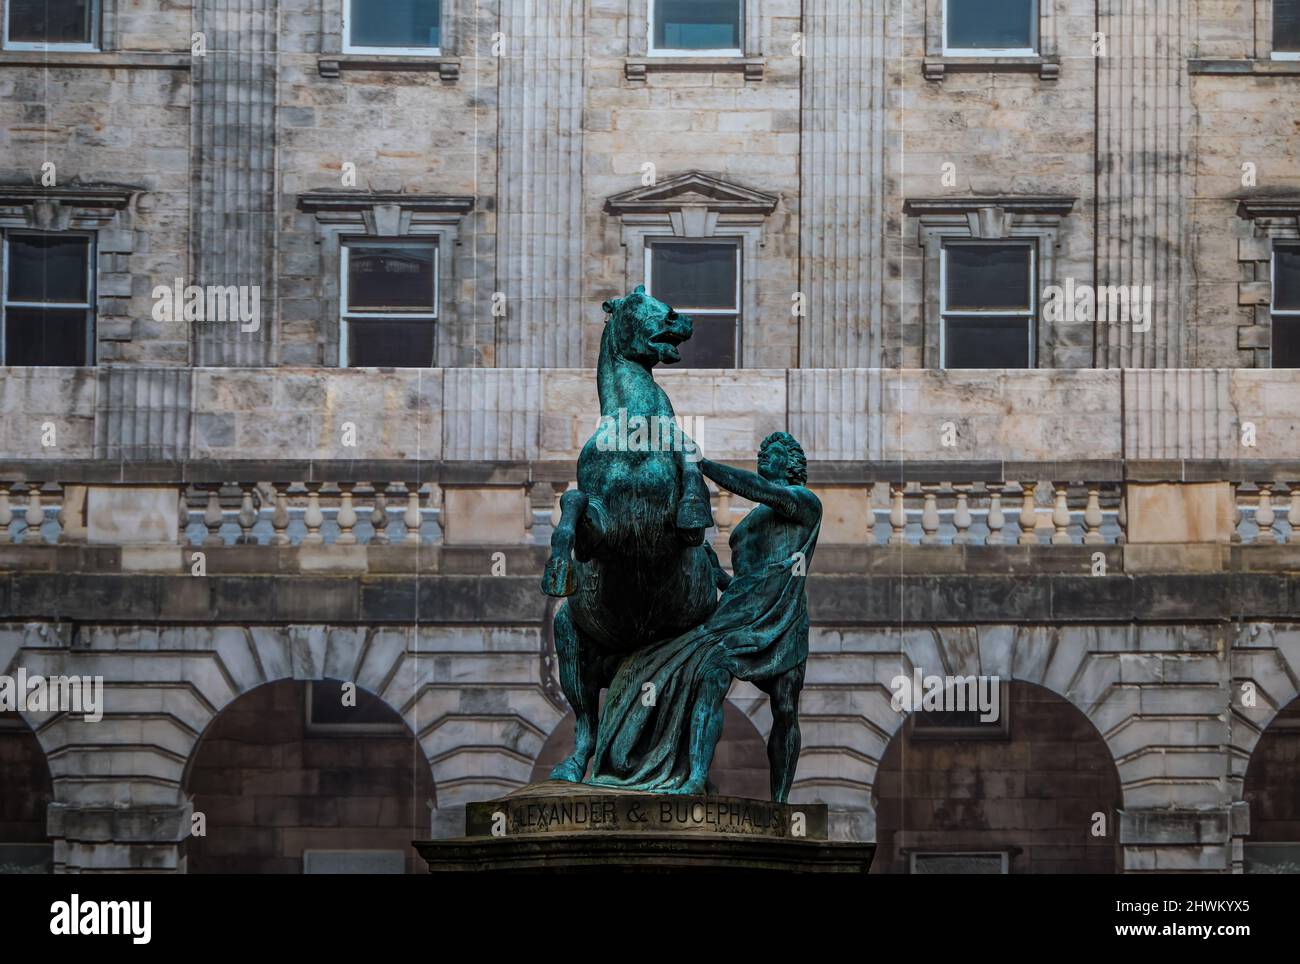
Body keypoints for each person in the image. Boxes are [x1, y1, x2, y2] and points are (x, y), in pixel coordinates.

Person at [586, 431, 821, 803]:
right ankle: (694, 776)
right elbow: (746, 584)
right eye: (762, 450)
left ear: (791, 463)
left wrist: (702, 465)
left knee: (786, 707)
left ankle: (780, 801)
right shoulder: (750, 524)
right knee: (708, 677)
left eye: (772, 452)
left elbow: (761, 491)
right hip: (737, 615)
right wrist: (718, 576)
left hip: (782, 616)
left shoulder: (804, 503)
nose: (763, 455)